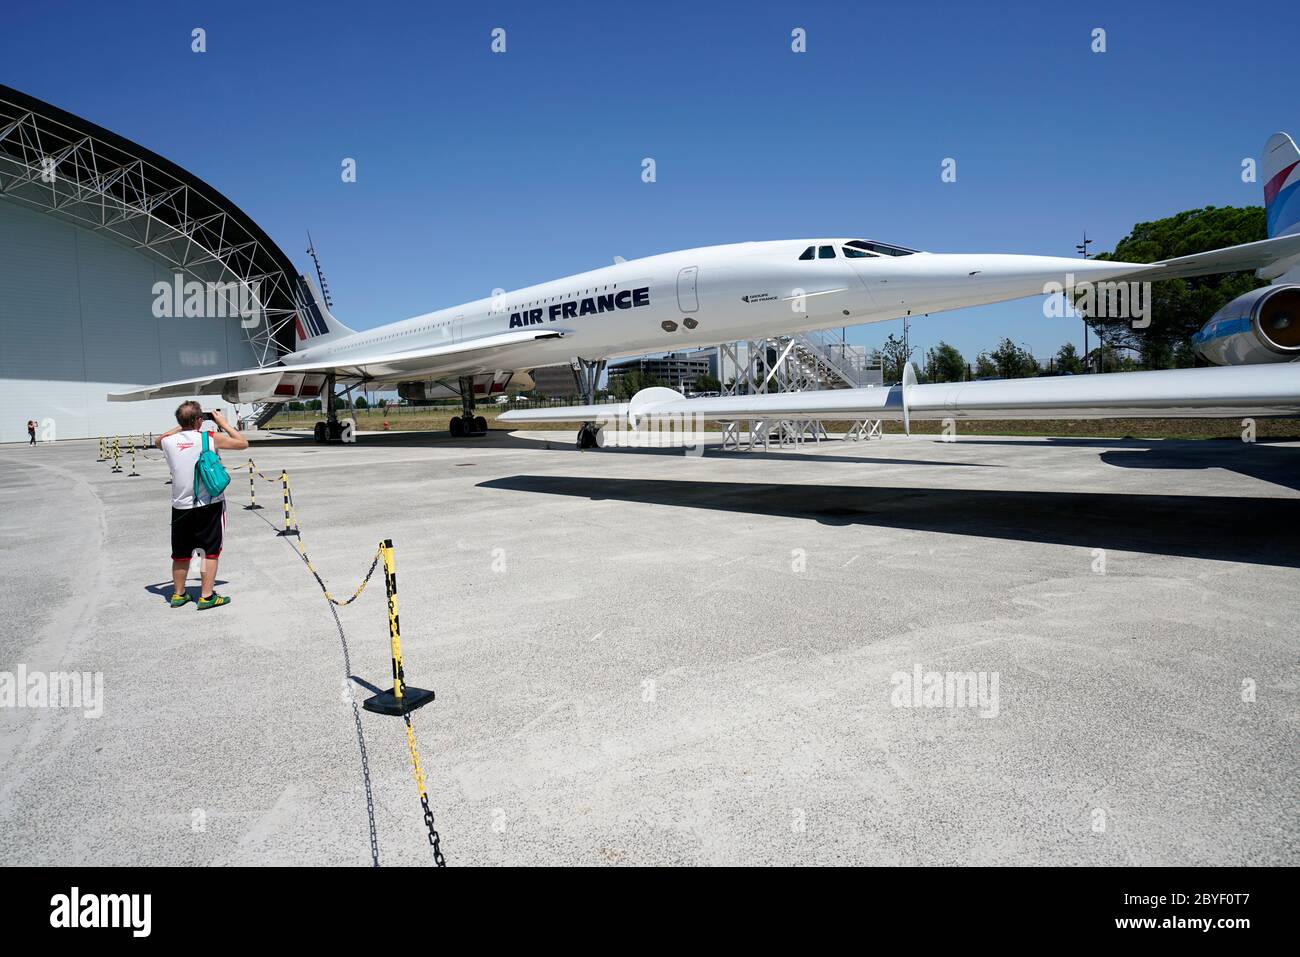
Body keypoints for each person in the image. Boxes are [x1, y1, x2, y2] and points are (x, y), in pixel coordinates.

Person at [157, 401, 248, 609]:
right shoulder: (209, 438)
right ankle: (206, 596)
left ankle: (178, 594)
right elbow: (242, 443)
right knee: (209, 552)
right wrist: (223, 423)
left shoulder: (168, 442)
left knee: (180, 553)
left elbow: (158, 440)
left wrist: (184, 425)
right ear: (199, 420)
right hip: (209, 505)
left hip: (180, 506)